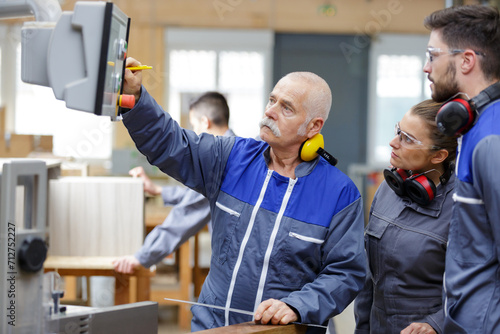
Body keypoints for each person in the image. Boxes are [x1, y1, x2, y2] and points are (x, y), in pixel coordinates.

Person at [121, 57, 366, 333]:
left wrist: (298, 305)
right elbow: (172, 143)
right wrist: (136, 98)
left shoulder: (340, 193)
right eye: (272, 100)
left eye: (286, 107)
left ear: (313, 126)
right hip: (214, 327)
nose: (271, 111)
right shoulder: (230, 158)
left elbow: (346, 272)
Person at [423, 5, 500, 333]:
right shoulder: (475, 127)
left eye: (432, 55)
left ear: (466, 60)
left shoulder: (491, 138)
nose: (427, 68)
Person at [353, 100, 457, 334]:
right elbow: (369, 278)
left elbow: (480, 285)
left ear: (439, 155)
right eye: (398, 131)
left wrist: (437, 324)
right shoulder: (387, 189)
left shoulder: (462, 207)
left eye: (407, 139)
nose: (393, 142)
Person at [113, 92, 235, 274]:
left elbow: (186, 213)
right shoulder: (237, 150)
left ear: (205, 122)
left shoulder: (222, 161)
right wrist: (159, 190)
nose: (195, 133)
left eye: (194, 126)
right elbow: (199, 196)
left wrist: (142, 257)